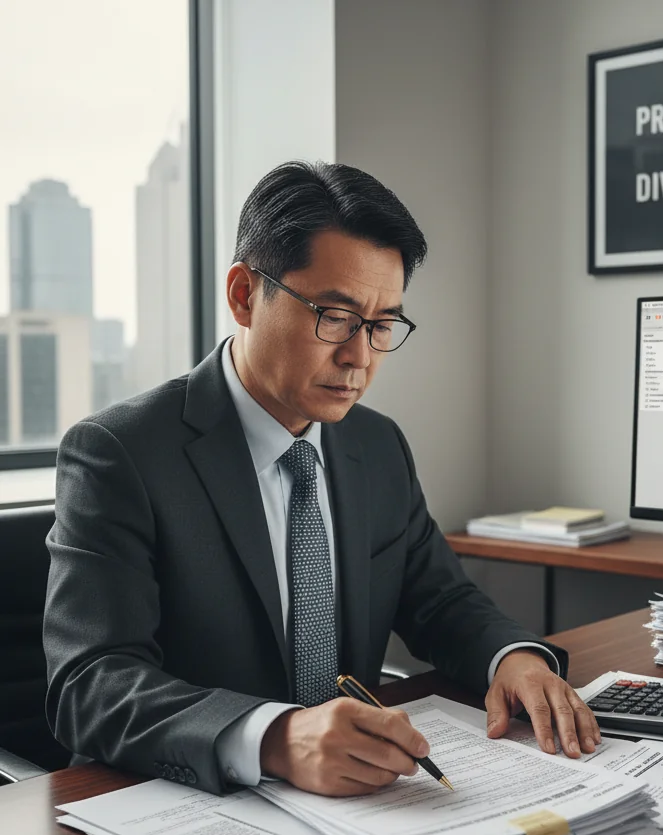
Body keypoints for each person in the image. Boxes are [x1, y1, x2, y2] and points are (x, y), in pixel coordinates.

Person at [43, 161, 599, 797]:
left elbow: (441, 602)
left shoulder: (376, 443)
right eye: (334, 316)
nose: (359, 357)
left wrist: (513, 658)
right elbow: (89, 683)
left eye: (382, 324)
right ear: (244, 296)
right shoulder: (120, 452)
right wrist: (275, 737)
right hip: (191, 804)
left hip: (360, 805)